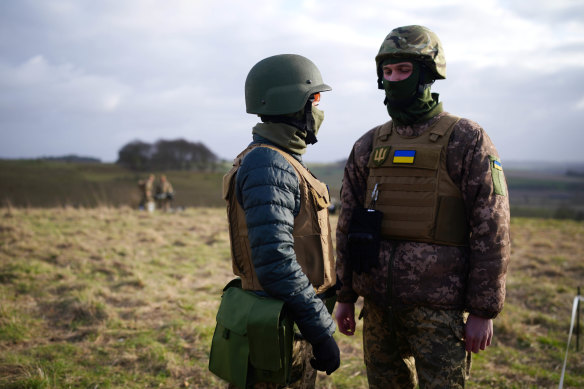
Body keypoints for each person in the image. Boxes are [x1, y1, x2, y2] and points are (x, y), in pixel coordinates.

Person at [334, 25, 511, 388]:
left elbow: (492, 228)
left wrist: (482, 310)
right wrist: (346, 296)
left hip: (439, 311)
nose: (394, 78)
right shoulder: (369, 145)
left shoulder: (466, 139)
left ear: (427, 72)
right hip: (379, 308)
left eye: (403, 70)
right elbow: (348, 224)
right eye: (387, 71)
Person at [222, 54, 340, 388]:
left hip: (287, 316)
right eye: (315, 99)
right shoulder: (268, 165)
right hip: (278, 324)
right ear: (294, 102)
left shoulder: (275, 159)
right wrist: (321, 331)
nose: (319, 109)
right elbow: (275, 262)